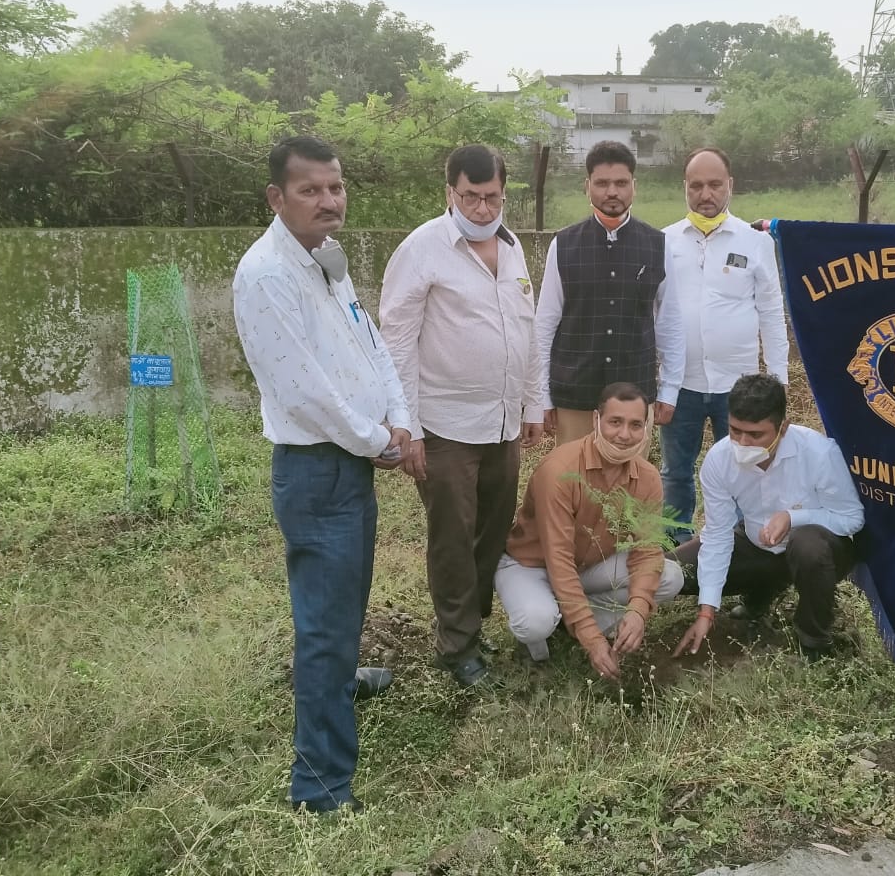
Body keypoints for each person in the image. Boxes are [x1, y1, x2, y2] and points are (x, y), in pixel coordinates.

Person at [233, 135, 411, 815]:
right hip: (317, 469)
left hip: (353, 461)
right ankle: (319, 787)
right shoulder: (266, 276)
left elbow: (369, 344)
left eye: (335, 187)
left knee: (343, 605)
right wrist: (376, 441)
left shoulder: (327, 258)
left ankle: (342, 680)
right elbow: (304, 391)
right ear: (278, 198)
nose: (328, 200)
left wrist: (397, 416)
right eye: (311, 190)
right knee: (323, 624)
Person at [379, 144, 544, 689]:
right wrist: (407, 425)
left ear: (504, 192)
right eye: (469, 197)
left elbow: (526, 331)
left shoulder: (514, 248)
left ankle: (473, 623)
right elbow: (396, 341)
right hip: (444, 425)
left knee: (494, 529)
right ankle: (457, 644)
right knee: (453, 533)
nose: (480, 208)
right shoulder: (422, 249)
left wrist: (531, 403)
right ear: (449, 191)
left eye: (491, 197)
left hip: (502, 422)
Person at [495, 382, 685, 679]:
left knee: (670, 577)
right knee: (535, 621)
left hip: (589, 566)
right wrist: (594, 640)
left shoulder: (647, 478)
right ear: (596, 420)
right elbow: (558, 559)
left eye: (636, 425)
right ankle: (558, 626)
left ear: (646, 427)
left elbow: (647, 552)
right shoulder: (559, 471)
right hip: (531, 565)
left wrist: (637, 610)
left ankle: (567, 620)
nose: (624, 435)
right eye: (615, 422)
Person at [672, 373, 864, 662]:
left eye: (755, 435)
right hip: (756, 545)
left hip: (818, 551)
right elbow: (718, 536)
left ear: (783, 427)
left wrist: (793, 517)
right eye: (735, 431)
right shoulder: (719, 460)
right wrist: (706, 611)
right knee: (671, 570)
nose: (742, 443)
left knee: (807, 546)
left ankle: (813, 640)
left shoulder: (819, 453)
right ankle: (760, 594)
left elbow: (851, 518)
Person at [660, 147, 790, 542]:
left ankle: (737, 544)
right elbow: (652, 312)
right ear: (685, 188)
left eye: (715, 184)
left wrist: (778, 380)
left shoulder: (755, 243)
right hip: (679, 383)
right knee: (676, 471)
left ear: (730, 185)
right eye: (696, 185)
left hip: (738, 386)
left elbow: (771, 312)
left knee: (742, 470)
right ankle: (675, 550)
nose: (706, 194)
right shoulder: (664, 241)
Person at [535, 140, 685, 448]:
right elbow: (545, 324)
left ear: (634, 186)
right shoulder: (563, 245)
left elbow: (669, 322)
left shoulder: (658, 245)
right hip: (575, 392)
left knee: (627, 489)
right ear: (587, 186)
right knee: (573, 482)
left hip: (633, 396)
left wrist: (669, 390)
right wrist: (541, 395)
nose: (612, 192)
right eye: (602, 183)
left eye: (621, 183)